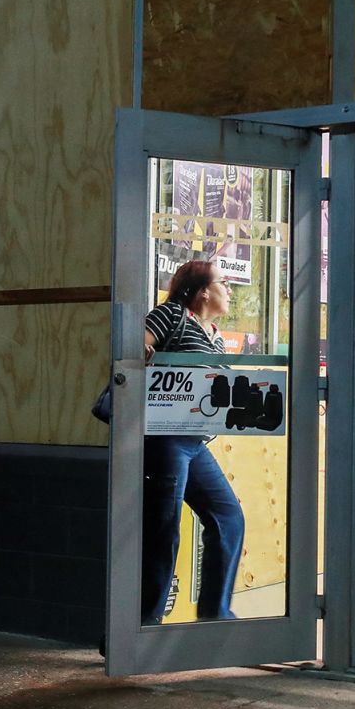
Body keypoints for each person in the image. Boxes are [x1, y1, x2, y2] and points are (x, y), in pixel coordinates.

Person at [141, 260, 245, 623]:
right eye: (223, 283)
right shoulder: (171, 314)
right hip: (165, 440)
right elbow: (138, 344)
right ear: (203, 291)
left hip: (194, 443)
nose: (229, 290)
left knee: (228, 516)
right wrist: (144, 350)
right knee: (163, 530)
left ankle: (215, 617)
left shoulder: (215, 335)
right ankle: (142, 627)